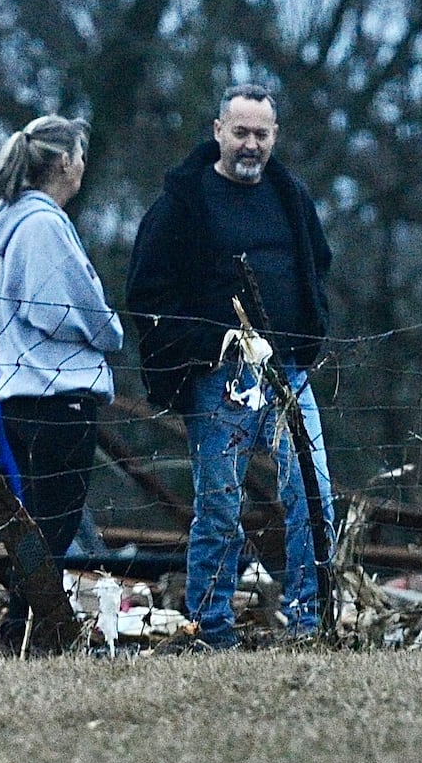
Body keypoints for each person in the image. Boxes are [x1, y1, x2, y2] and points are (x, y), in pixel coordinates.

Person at [126, 84, 334, 648]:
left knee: (312, 492)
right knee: (219, 504)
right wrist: (209, 341)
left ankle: (313, 621)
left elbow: (319, 264)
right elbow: (146, 293)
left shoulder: (290, 195)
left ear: (275, 138)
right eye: (239, 132)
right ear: (218, 131)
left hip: (287, 369)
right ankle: (210, 627)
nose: (250, 145)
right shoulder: (181, 203)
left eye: (261, 134)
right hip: (218, 379)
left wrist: (310, 330)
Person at [0, 115, 123, 646]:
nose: (83, 166)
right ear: (64, 161)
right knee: (53, 527)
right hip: (57, 396)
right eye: (80, 156)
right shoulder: (42, 225)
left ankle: (25, 629)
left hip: (26, 394)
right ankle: (30, 631)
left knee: (42, 524)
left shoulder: (16, 223)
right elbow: (61, 308)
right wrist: (109, 329)